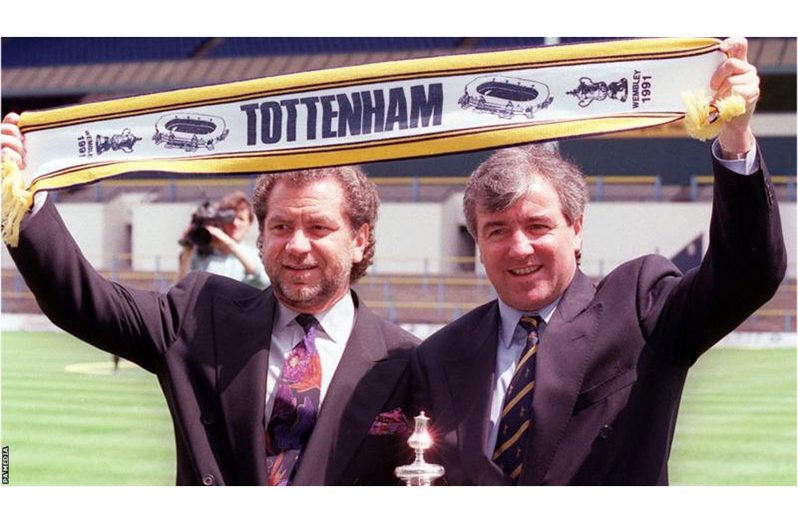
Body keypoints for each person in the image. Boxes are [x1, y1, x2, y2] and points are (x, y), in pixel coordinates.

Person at [411, 37, 787, 485]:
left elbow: (748, 272)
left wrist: (735, 133)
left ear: (576, 230)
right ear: (477, 242)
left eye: (537, 226)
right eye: (497, 230)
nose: (519, 247)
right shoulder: (440, 355)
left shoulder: (641, 310)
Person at [1, 115, 419, 484]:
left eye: (318, 227)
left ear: (360, 240)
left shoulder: (408, 362)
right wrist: (23, 196)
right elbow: (82, 302)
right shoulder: (200, 314)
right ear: (260, 237)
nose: (296, 245)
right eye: (280, 226)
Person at [178, 190, 270, 288]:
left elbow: (263, 283)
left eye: (241, 219)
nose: (235, 223)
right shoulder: (201, 254)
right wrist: (187, 247)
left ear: (249, 224)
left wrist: (231, 246)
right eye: (230, 219)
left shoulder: (254, 255)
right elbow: (183, 290)